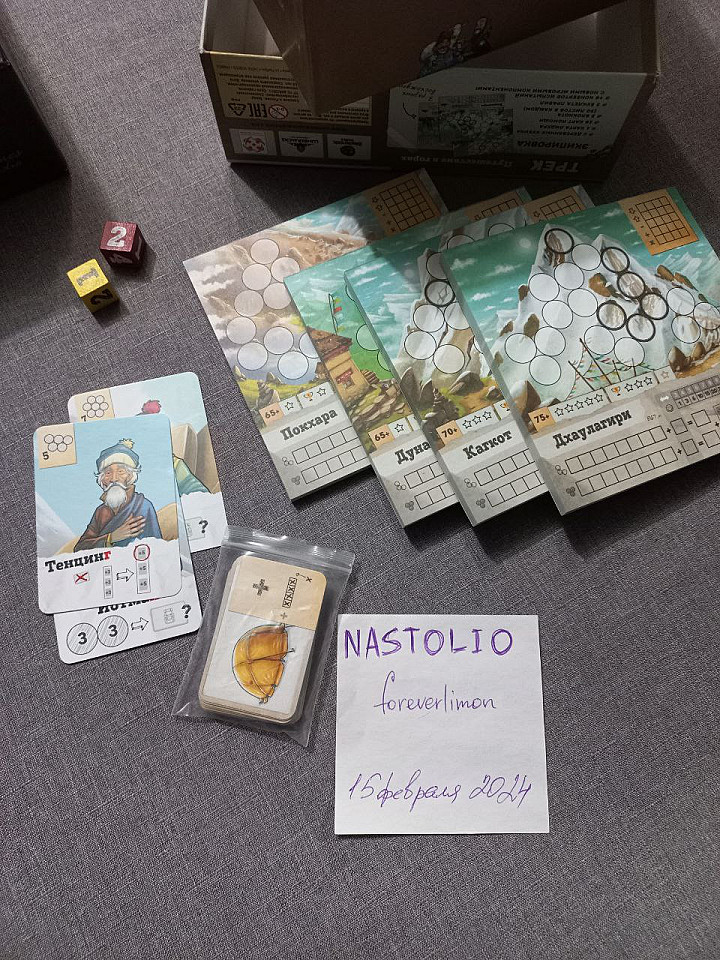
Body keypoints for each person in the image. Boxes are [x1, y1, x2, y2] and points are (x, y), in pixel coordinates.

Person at [74, 438, 162, 550]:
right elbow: (80, 548)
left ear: (130, 476)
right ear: (102, 479)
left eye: (121, 471)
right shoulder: (101, 511)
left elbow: (157, 547)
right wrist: (111, 538)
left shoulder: (143, 506)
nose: (114, 479)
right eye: (108, 473)